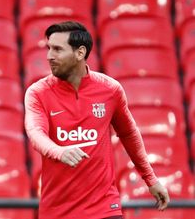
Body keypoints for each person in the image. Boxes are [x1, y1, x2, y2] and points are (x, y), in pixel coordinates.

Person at [24, 21, 170, 219]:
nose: (50, 56)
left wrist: (150, 179)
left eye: (57, 49)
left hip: (104, 208)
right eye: (49, 48)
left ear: (80, 53)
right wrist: (59, 151)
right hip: (58, 211)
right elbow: (35, 133)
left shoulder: (110, 90)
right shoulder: (37, 93)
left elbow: (129, 134)